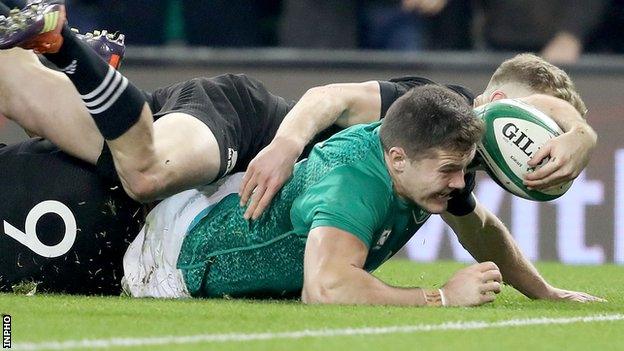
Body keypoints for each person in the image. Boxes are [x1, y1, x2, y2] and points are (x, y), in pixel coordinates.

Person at [0, 1, 597, 301]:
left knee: (62, 123)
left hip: (229, 185)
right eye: (542, 121)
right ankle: (74, 53)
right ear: (497, 98)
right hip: (249, 126)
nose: (545, 138)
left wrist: (540, 290)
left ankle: (34, 53)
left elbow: (482, 229)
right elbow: (330, 95)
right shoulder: (440, 105)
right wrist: (284, 145)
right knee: (147, 171)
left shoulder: (453, 160)